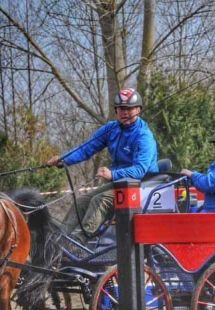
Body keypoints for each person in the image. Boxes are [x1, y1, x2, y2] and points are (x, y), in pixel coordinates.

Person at [47, 87, 158, 244]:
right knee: (82, 201)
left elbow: (140, 170)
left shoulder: (143, 136)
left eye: (129, 109)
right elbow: (86, 148)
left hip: (140, 185)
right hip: (120, 184)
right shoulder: (111, 129)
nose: (125, 112)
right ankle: (60, 241)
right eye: (121, 109)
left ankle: (78, 241)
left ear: (138, 109)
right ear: (116, 110)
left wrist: (112, 175)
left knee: (101, 199)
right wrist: (63, 159)